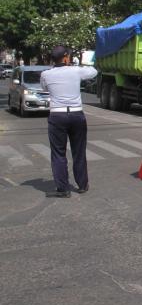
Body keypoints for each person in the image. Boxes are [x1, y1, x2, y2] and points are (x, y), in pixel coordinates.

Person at [40, 46, 98, 197]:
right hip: (76, 115)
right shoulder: (76, 71)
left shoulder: (46, 74)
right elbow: (94, 71)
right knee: (79, 151)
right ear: (65, 57)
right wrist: (78, 66)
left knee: (58, 153)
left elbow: (44, 87)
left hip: (57, 116)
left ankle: (63, 189)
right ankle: (82, 185)